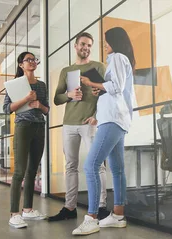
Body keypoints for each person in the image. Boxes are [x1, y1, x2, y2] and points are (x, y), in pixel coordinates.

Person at [72, 27, 136, 235]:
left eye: (106, 40)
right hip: (117, 119)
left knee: (91, 166)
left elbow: (116, 86)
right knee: (117, 169)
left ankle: (91, 218)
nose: (104, 44)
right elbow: (114, 90)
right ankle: (118, 215)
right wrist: (100, 91)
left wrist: (91, 82)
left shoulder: (117, 57)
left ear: (115, 41)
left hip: (113, 120)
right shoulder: (121, 60)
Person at [49, 32, 110, 222]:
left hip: (89, 123)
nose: (86, 47)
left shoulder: (98, 66)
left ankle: (101, 207)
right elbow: (56, 99)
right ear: (75, 46)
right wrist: (69, 95)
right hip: (69, 124)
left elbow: (109, 93)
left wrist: (97, 116)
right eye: (83, 44)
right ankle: (69, 208)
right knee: (70, 166)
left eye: (89, 45)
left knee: (97, 165)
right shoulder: (67, 71)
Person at [3, 52, 49, 229]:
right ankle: (14, 214)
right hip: (23, 127)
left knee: (32, 171)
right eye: (28, 60)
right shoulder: (14, 85)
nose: (32, 62)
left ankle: (28, 210)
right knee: (19, 171)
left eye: (33, 59)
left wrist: (39, 105)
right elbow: (7, 108)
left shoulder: (42, 85)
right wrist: (27, 99)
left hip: (39, 127)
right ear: (21, 65)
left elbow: (47, 110)